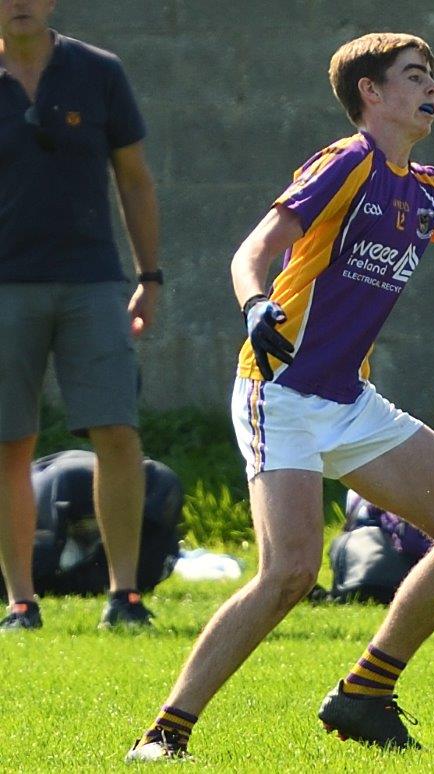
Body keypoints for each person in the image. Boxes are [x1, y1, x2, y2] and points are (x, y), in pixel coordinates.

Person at [125, 32, 434, 760]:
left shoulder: (431, 192)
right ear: (372, 93)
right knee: (292, 573)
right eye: (415, 75)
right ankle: (166, 730)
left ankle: (366, 692)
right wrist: (253, 305)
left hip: (351, 401)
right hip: (282, 393)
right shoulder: (347, 161)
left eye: (432, 76)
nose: (432, 89)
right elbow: (254, 249)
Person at [0, 0, 161, 630]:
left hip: (93, 283)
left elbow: (136, 179)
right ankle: (20, 601)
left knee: (116, 432)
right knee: (11, 442)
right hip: (5, 287)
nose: (19, 4)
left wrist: (150, 278)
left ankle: (125, 597)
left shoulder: (99, 72)